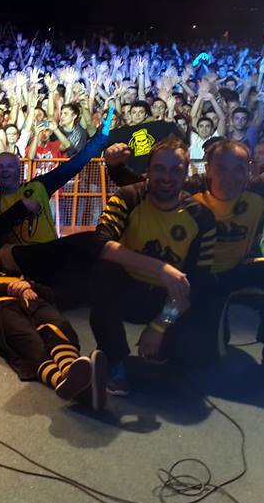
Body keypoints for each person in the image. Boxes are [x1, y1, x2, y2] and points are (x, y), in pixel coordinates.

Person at [107, 138, 264, 378]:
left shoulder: (261, 186)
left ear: (249, 168)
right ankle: (209, 329)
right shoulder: (190, 188)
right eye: (221, 168)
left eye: (238, 169)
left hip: (236, 269)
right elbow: (141, 185)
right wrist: (115, 166)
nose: (229, 178)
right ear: (208, 168)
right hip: (196, 278)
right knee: (197, 359)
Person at [90, 137, 217, 395]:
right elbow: (99, 244)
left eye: (175, 170)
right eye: (159, 168)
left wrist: (161, 324)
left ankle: (165, 349)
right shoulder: (128, 197)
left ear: (186, 173)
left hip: (169, 299)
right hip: (128, 288)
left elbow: (198, 282)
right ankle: (115, 359)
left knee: (193, 359)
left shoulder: (201, 217)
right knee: (102, 274)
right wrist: (161, 268)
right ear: (147, 170)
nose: (167, 177)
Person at [0, 238, 107, 409]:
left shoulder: (16, 274)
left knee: (57, 325)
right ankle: (71, 385)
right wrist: (10, 288)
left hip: (34, 303)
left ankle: (70, 372)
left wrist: (29, 285)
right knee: (29, 341)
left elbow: (51, 295)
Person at [0, 111, 112, 245]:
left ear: (19, 169)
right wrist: (23, 206)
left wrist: (100, 138)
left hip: (50, 253)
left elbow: (73, 165)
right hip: (18, 257)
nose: (4, 170)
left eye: (10, 166)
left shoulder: (39, 186)